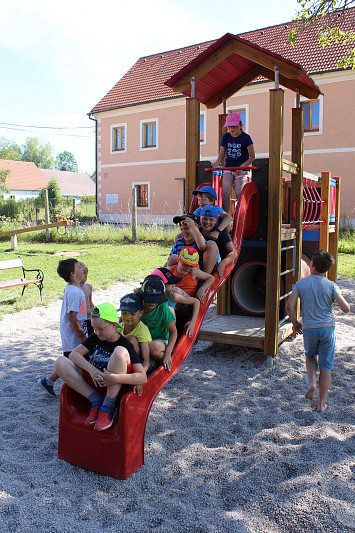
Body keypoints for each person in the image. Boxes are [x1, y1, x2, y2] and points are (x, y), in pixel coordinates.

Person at [54, 302, 146, 431]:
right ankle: (96, 400)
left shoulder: (125, 344)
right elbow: (74, 355)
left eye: (101, 329)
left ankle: (108, 406)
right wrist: (92, 370)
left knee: (119, 352)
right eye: (94, 328)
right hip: (95, 383)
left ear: (114, 325)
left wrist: (114, 378)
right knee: (60, 362)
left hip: (114, 387)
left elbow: (142, 377)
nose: (96, 332)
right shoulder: (95, 338)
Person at [286, 250, 350, 413]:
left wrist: (295, 323)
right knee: (326, 366)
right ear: (327, 269)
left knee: (310, 355)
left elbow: (289, 306)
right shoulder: (331, 285)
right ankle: (321, 404)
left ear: (311, 264)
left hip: (309, 328)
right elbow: (345, 308)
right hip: (327, 329)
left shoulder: (301, 283)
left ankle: (312, 383)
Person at [38, 258, 87, 398]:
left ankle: (48, 381)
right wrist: (81, 335)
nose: (81, 269)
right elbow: (72, 316)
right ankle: (53, 383)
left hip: (77, 331)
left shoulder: (74, 289)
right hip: (73, 335)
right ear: (72, 273)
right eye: (79, 267)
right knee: (72, 361)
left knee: (74, 360)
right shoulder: (74, 292)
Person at [212, 112, 255, 212]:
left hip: (241, 168)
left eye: (234, 126)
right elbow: (222, 153)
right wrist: (217, 162)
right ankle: (225, 216)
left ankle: (241, 215)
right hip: (229, 167)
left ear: (240, 124)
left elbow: (252, 157)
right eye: (229, 126)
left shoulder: (246, 138)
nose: (231, 129)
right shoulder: (226, 137)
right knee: (225, 191)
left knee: (239, 192)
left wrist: (241, 167)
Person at [136, 275, 178, 373]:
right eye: (149, 299)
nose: (152, 303)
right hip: (141, 339)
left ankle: (156, 363)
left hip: (159, 341)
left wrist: (168, 353)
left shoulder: (162, 308)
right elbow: (123, 322)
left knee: (153, 348)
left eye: (156, 299)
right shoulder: (137, 306)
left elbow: (173, 332)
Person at [151, 267, 200, 338]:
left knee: (170, 310)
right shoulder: (148, 300)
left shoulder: (173, 297)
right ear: (162, 285)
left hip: (168, 332)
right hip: (155, 330)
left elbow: (196, 301)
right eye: (171, 284)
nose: (174, 286)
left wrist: (193, 322)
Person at [119, 293, 152, 395]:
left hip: (141, 366)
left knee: (130, 339)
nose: (127, 317)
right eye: (124, 313)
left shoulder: (142, 330)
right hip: (124, 363)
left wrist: (139, 377)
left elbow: (146, 360)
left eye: (132, 314)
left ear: (140, 313)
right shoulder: (119, 327)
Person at [199, 205, 238, 278]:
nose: (207, 222)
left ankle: (204, 278)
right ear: (200, 218)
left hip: (214, 264)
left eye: (211, 220)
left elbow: (233, 252)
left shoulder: (221, 232)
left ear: (216, 220)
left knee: (211, 245)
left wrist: (223, 263)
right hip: (199, 262)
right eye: (204, 219)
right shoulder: (198, 230)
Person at [79, 261, 94, 335]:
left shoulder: (88, 287)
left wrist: (93, 309)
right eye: (82, 276)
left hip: (89, 319)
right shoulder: (72, 290)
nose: (84, 279)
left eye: (86, 276)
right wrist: (86, 311)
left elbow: (90, 302)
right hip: (80, 320)